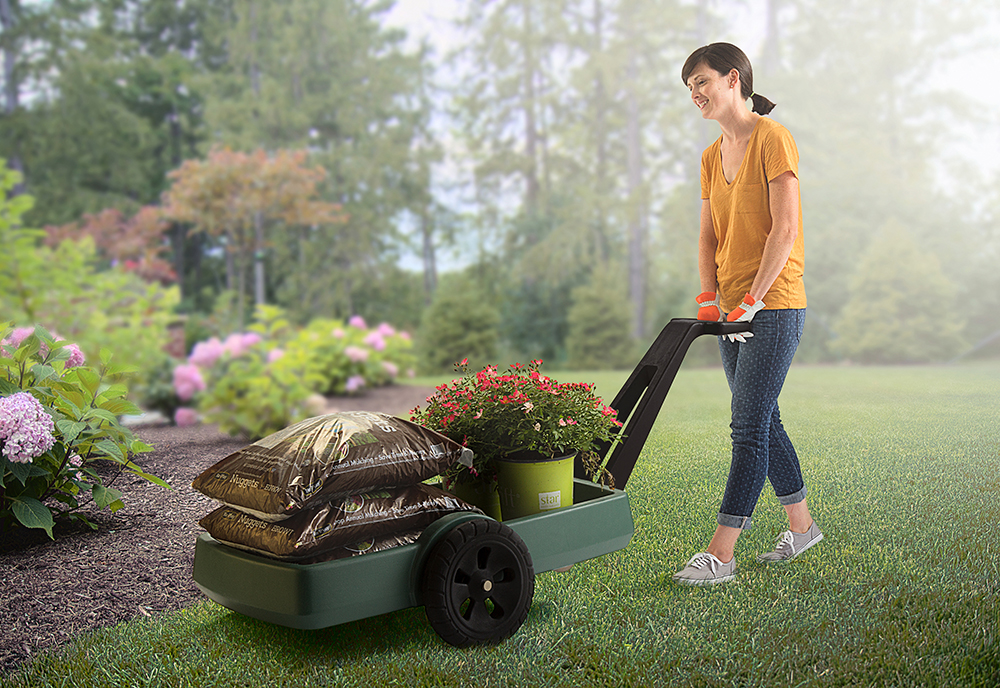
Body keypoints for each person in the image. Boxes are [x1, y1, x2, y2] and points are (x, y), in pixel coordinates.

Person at [672, 43, 822, 586]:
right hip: (732, 309)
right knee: (764, 418)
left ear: (733, 79)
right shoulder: (712, 155)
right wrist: (710, 298)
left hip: (774, 304)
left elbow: (786, 229)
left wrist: (754, 299)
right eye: (688, 86)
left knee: (747, 425)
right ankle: (802, 528)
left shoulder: (773, 139)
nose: (694, 93)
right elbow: (708, 232)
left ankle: (722, 554)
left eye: (702, 81)